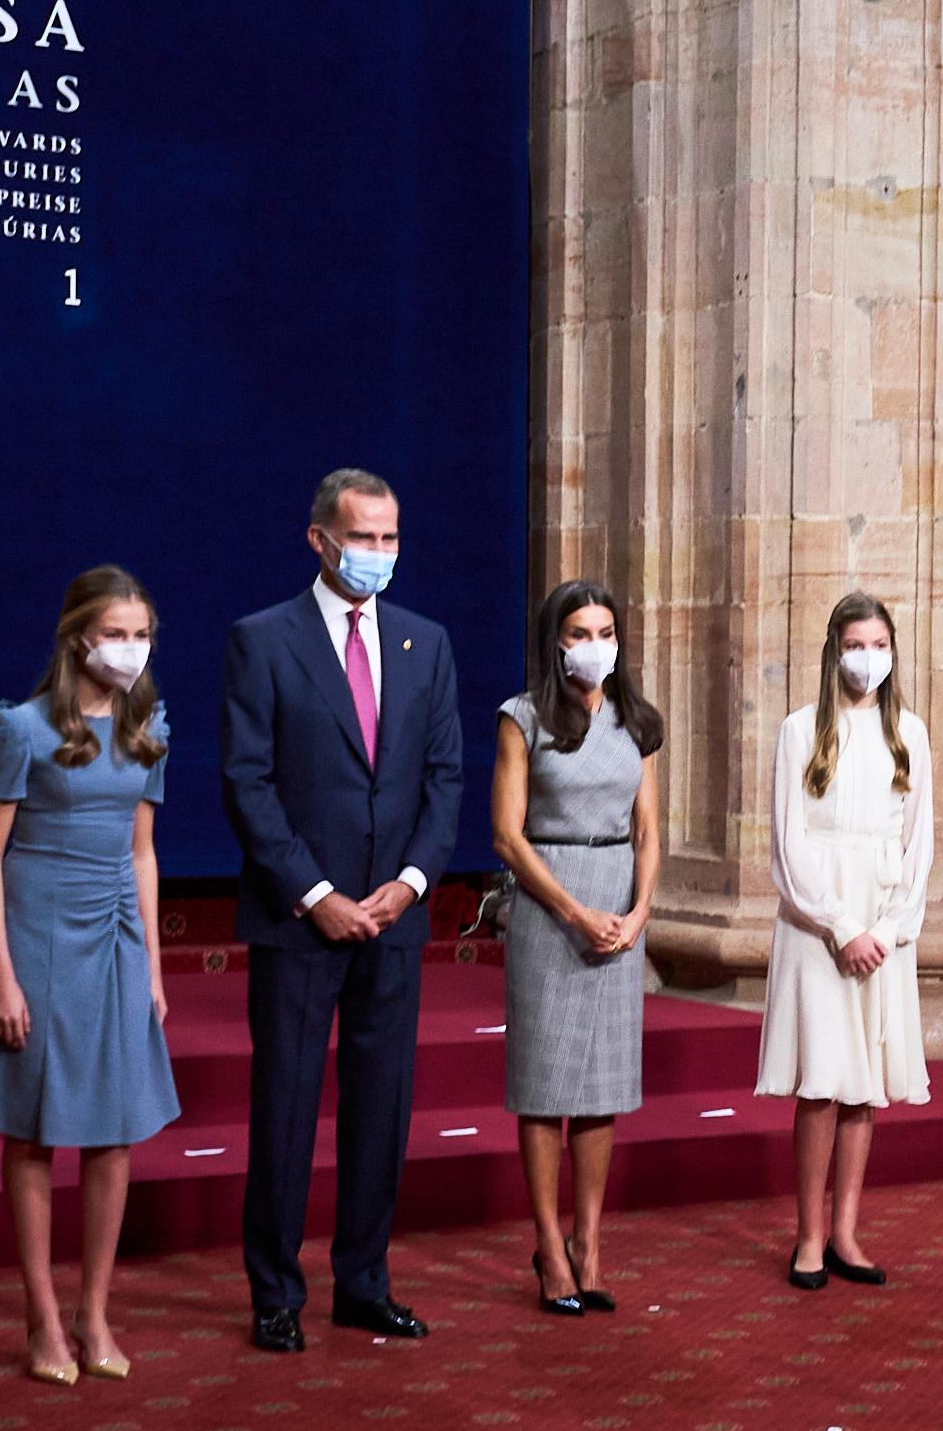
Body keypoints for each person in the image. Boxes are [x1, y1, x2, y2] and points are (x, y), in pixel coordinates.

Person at [220, 468, 465, 1352]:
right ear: (319, 538)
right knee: (285, 1106)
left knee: (381, 1107)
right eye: (363, 538)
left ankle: (363, 1281)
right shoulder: (263, 640)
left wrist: (411, 883)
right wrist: (316, 894)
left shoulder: (424, 643)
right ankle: (275, 1293)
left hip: (394, 919)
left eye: (391, 538)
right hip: (299, 919)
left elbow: (443, 782)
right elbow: (247, 783)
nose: (379, 554)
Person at [0, 565, 184, 1385]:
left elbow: (143, 851)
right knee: (33, 1131)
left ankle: (94, 1312)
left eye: (143, 634)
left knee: (114, 1132)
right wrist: (1, 976)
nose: (132, 649)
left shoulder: (146, 725)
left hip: (118, 936)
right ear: (78, 638)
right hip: (39, 935)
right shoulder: (21, 729)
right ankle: (42, 1319)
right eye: (118, 634)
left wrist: (155, 969)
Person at [493, 580, 665, 1315]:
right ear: (554, 641)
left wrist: (638, 913)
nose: (595, 645)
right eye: (580, 632)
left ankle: (589, 1243)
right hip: (549, 903)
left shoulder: (636, 720)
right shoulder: (522, 717)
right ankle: (547, 1246)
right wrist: (572, 910)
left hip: (620, 904)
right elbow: (506, 834)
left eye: (605, 631)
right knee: (545, 1085)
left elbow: (650, 827)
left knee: (603, 1088)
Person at [757, 592, 933, 1290]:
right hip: (819, 925)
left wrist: (885, 930)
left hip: (884, 921)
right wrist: (839, 927)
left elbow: (918, 844)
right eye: (857, 645)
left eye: (880, 646)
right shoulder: (801, 731)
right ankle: (808, 1236)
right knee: (824, 1083)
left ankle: (848, 1233)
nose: (869, 659)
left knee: (865, 1089)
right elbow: (788, 843)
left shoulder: (909, 733)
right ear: (835, 649)